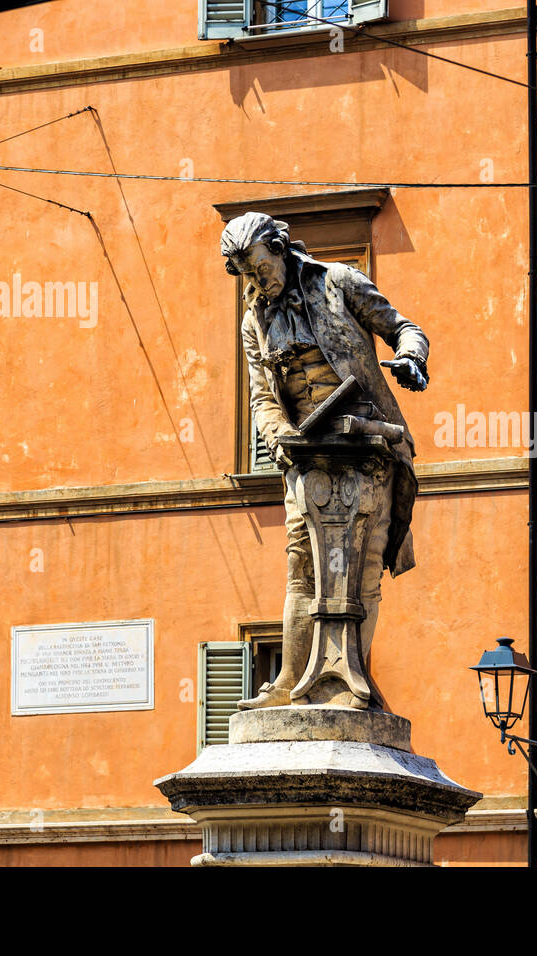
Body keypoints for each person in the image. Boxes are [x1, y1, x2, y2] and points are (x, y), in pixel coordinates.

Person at [219, 212, 429, 709]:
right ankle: (290, 682)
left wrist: (412, 359)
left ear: (279, 247)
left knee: (365, 566)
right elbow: (262, 399)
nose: (257, 279)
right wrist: (279, 437)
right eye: (246, 273)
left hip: (369, 448)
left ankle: (346, 684)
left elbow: (404, 328)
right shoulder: (256, 322)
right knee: (300, 566)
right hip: (306, 458)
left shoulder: (339, 282)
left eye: (259, 266)